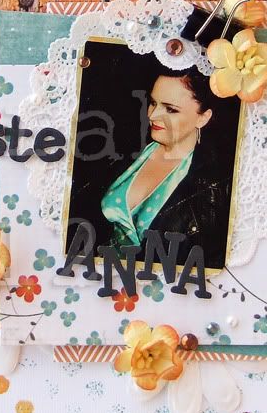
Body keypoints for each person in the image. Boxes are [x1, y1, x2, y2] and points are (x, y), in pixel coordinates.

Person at [73, 66, 240, 269]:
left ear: (202, 117)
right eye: (153, 103)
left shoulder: (216, 185)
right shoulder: (124, 149)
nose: (152, 115)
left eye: (170, 109)